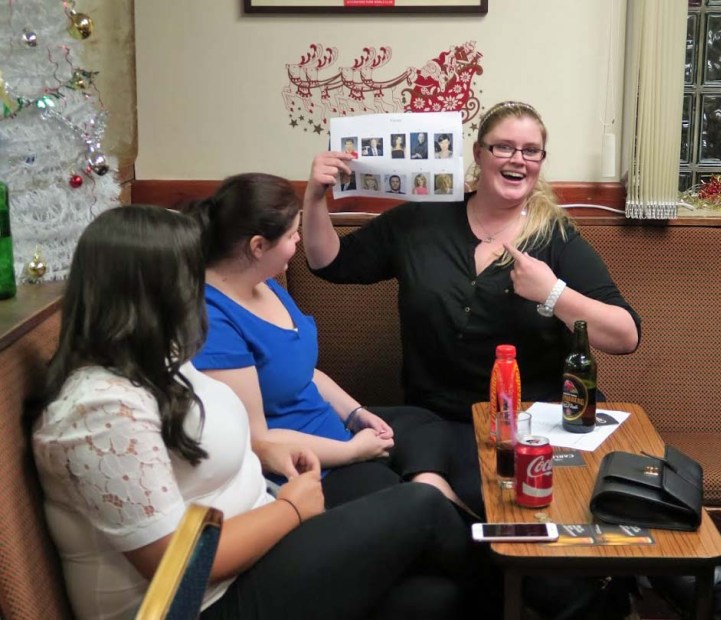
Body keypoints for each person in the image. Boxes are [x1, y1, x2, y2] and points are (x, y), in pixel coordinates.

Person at [31, 205, 489, 620]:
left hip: (256, 549)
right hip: (197, 602)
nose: (203, 287)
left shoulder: (159, 356)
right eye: (192, 274)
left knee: (434, 598)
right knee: (421, 506)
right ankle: (519, 574)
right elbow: (177, 565)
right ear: (149, 290)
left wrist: (267, 453)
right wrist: (292, 508)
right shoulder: (100, 410)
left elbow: (213, 440)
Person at [300, 100, 641, 521]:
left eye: (531, 151)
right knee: (425, 493)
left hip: (530, 423)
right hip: (436, 421)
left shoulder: (555, 237)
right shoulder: (421, 220)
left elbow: (625, 335)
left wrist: (552, 293)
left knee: (533, 502)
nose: (518, 159)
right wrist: (315, 196)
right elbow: (329, 262)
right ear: (478, 154)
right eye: (504, 147)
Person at [184, 174, 467, 511]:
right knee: (407, 499)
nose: (299, 241)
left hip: (331, 428)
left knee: (425, 424)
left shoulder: (264, 283)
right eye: (292, 235)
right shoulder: (214, 318)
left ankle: (429, 482)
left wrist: (356, 414)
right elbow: (258, 441)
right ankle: (435, 503)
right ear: (258, 247)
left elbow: (306, 373)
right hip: (307, 467)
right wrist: (352, 451)